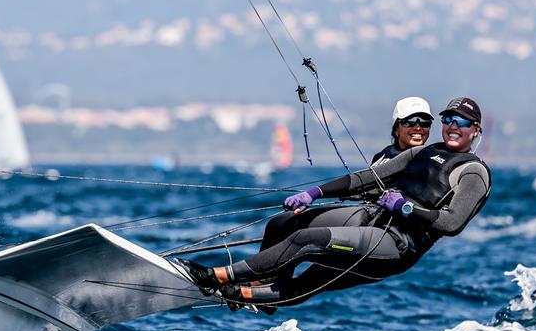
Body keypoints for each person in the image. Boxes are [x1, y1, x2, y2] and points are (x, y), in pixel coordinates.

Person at [175, 97, 490, 313]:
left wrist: (404, 208)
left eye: (461, 121)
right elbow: (367, 177)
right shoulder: (424, 151)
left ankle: (218, 276)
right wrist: (314, 192)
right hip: (373, 220)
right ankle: (253, 289)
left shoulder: (474, 171)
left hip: (398, 243)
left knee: (308, 246)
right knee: (285, 223)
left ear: (475, 129)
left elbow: (451, 223)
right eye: (448, 118)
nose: (452, 125)